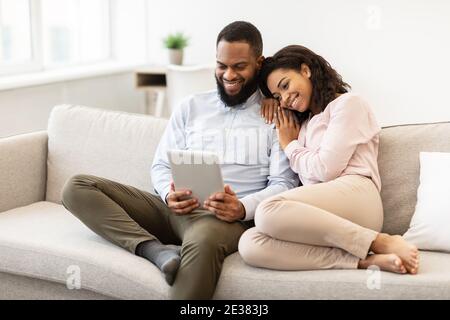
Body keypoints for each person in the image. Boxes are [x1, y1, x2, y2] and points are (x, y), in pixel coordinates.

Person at [60, 21, 298, 300]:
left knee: (203, 239)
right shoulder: (191, 106)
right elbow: (161, 165)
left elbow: (284, 184)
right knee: (78, 187)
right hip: (172, 209)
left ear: (259, 64)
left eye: (239, 67)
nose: (228, 75)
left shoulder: (277, 115)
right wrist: (168, 193)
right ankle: (155, 250)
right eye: (221, 65)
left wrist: (241, 208)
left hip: (223, 220)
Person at [238, 45, 420, 275]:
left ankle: (377, 241)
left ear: (306, 70)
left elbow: (325, 170)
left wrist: (290, 145)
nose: (285, 99)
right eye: (277, 96)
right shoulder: (300, 125)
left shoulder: (348, 104)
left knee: (267, 211)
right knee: (250, 243)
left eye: (285, 86)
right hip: (321, 215)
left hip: (357, 196)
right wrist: (270, 105)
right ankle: (362, 261)